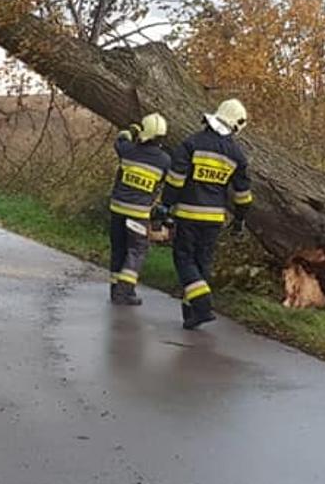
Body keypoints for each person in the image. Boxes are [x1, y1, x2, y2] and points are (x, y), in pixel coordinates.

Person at [160, 99, 251, 329]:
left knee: (184, 259)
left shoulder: (192, 143)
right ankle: (191, 314)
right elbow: (243, 194)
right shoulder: (236, 155)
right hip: (214, 219)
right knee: (202, 263)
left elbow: (175, 179)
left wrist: (165, 205)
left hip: (189, 214)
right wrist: (240, 219)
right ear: (236, 125)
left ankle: (202, 305)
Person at [106, 113, 171, 306]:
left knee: (118, 249)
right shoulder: (165, 161)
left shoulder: (127, 150)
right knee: (136, 250)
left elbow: (120, 138)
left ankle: (115, 289)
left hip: (117, 209)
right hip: (139, 214)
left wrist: (132, 130)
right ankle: (124, 291)